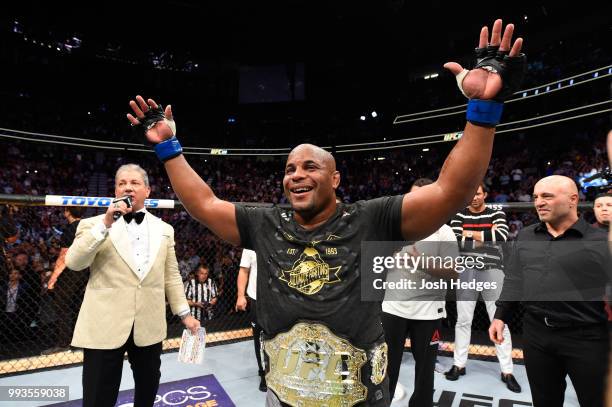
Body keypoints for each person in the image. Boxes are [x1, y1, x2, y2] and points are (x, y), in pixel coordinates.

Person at [127, 19, 525, 406]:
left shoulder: (372, 218)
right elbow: (205, 204)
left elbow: (451, 191)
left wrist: (483, 111)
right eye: (289, 169)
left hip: (359, 397)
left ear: (335, 179)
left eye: (309, 167)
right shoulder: (265, 222)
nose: (296, 176)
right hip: (284, 395)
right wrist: (169, 148)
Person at [65, 164, 200, 407]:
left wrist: (185, 314)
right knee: (97, 397)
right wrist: (105, 224)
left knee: (148, 390)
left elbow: (171, 275)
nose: (128, 187)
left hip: (148, 323)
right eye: (122, 183)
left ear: (147, 190)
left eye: (135, 183)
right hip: (104, 326)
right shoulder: (92, 225)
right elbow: (74, 263)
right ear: (115, 190)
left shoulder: (165, 230)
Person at [489, 175, 610, 407]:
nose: (538, 202)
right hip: (536, 334)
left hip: (587, 337)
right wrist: (500, 316)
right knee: (544, 401)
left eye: (547, 196)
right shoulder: (525, 235)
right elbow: (515, 279)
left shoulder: (601, 241)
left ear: (573, 199)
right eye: (535, 197)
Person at [381, 178, 459, 406]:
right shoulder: (394, 228)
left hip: (428, 311)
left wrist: (424, 263)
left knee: (425, 371)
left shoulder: (445, 232)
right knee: (386, 366)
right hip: (393, 307)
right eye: (414, 196)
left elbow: (454, 272)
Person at [445, 183, 521, 393]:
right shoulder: (459, 216)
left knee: (499, 320)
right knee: (463, 320)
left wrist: (471, 235)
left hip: (493, 270)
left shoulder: (496, 213)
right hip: (466, 271)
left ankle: (507, 370)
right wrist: (486, 237)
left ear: (485, 194)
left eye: (477, 193)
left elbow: (502, 237)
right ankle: (459, 365)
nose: (474, 197)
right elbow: (456, 242)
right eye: (471, 194)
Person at [43, 206, 88, 355]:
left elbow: (63, 257)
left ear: (67, 211)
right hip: (86, 271)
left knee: (63, 306)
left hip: (71, 272)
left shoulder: (70, 229)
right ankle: (79, 341)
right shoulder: (87, 226)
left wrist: (52, 279)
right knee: (77, 305)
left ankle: (64, 343)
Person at [235, 248, 267, 392]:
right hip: (257, 299)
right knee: (259, 339)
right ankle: (263, 374)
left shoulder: (283, 235)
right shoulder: (251, 244)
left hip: (280, 299)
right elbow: (244, 271)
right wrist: (241, 296)